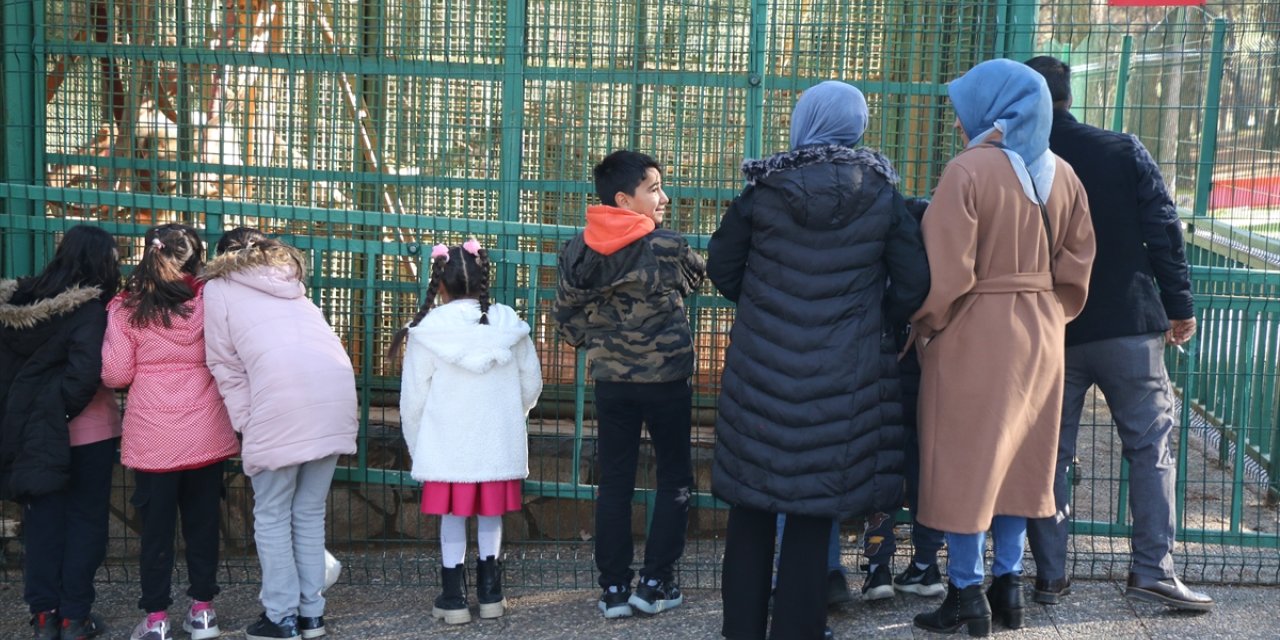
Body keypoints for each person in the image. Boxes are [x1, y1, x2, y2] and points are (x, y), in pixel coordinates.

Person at [708, 80, 930, 640]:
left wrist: (765, 307)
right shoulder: (880, 191)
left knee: (751, 510)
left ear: (803, 121)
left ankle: (741, 631)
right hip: (844, 376)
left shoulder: (765, 187)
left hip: (762, 370)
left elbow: (721, 264)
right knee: (814, 511)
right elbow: (914, 280)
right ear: (855, 126)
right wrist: (877, 319)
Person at [909, 59, 1095, 637]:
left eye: (965, 109)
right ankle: (1008, 585)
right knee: (1020, 461)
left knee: (966, 462)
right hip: (1042, 333)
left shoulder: (966, 172)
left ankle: (966, 593)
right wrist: (1046, 310)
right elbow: (1079, 265)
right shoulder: (1063, 173)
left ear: (992, 109)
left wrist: (928, 326)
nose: (958, 122)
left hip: (974, 329)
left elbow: (948, 275)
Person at [1023, 56, 1213, 612]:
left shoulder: (1018, 159)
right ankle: (1153, 571)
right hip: (1129, 324)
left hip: (1051, 327)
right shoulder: (1121, 149)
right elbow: (1164, 233)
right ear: (1068, 94)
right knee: (1150, 448)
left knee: (1050, 454)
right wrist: (1179, 307)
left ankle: (1049, 576)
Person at [553, 150, 706, 619]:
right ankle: (656, 582)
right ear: (624, 198)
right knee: (674, 479)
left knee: (614, 483)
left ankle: (614, 588)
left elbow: (565, 318)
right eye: (654, 188)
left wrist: (601, 343)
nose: (664, 197)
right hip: (667, 381)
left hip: (611, 382)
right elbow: (698, 278)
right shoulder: (667, 245)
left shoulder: (578, 249)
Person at [202, 228, 360, 640]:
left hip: (278, 404)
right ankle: (311, 616)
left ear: (222, 258)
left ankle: (280, 617)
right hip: (335, 398)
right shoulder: (292, 282)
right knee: (307, 514)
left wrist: (246, 422)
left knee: (271, 514)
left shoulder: (218, 288)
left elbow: (224, 362)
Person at [102, 223, 241, 640]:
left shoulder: (127, 308)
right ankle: (202, 612)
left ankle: (157, 618)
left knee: (156, 532)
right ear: (197, 259)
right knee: (202, 525)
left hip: (154, 437)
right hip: (206, 433)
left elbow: (115, 374)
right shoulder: (210, 303)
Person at [394, 239, 543, 625]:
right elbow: (531, 383)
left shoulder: (428, 330)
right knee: (491, 514)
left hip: (447, 444)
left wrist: (418, 444)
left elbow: (414, 399)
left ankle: (453, 597)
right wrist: (515, 414)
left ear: (439, 284)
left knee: (453, 518)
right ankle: (491, 594)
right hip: (497, 442)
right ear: (482, 279)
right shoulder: (509, 323)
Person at [0, 225, 121, 640]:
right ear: (100, 261)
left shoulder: (16, 304)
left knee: (42, 524)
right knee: (85, 523)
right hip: (87, 432)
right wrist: (61, 414)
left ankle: (42, 616)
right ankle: (73, 617)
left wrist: (31, 416)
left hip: (27, 432)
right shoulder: (91, 309)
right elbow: (85, 373)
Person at [859, 199, 948, 604]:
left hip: (882, 385)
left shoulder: (876, 268)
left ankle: (877, 567)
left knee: (881, 474)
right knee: (928, 475)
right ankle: (927, 564)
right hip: (931, 385)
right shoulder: (935, 270)